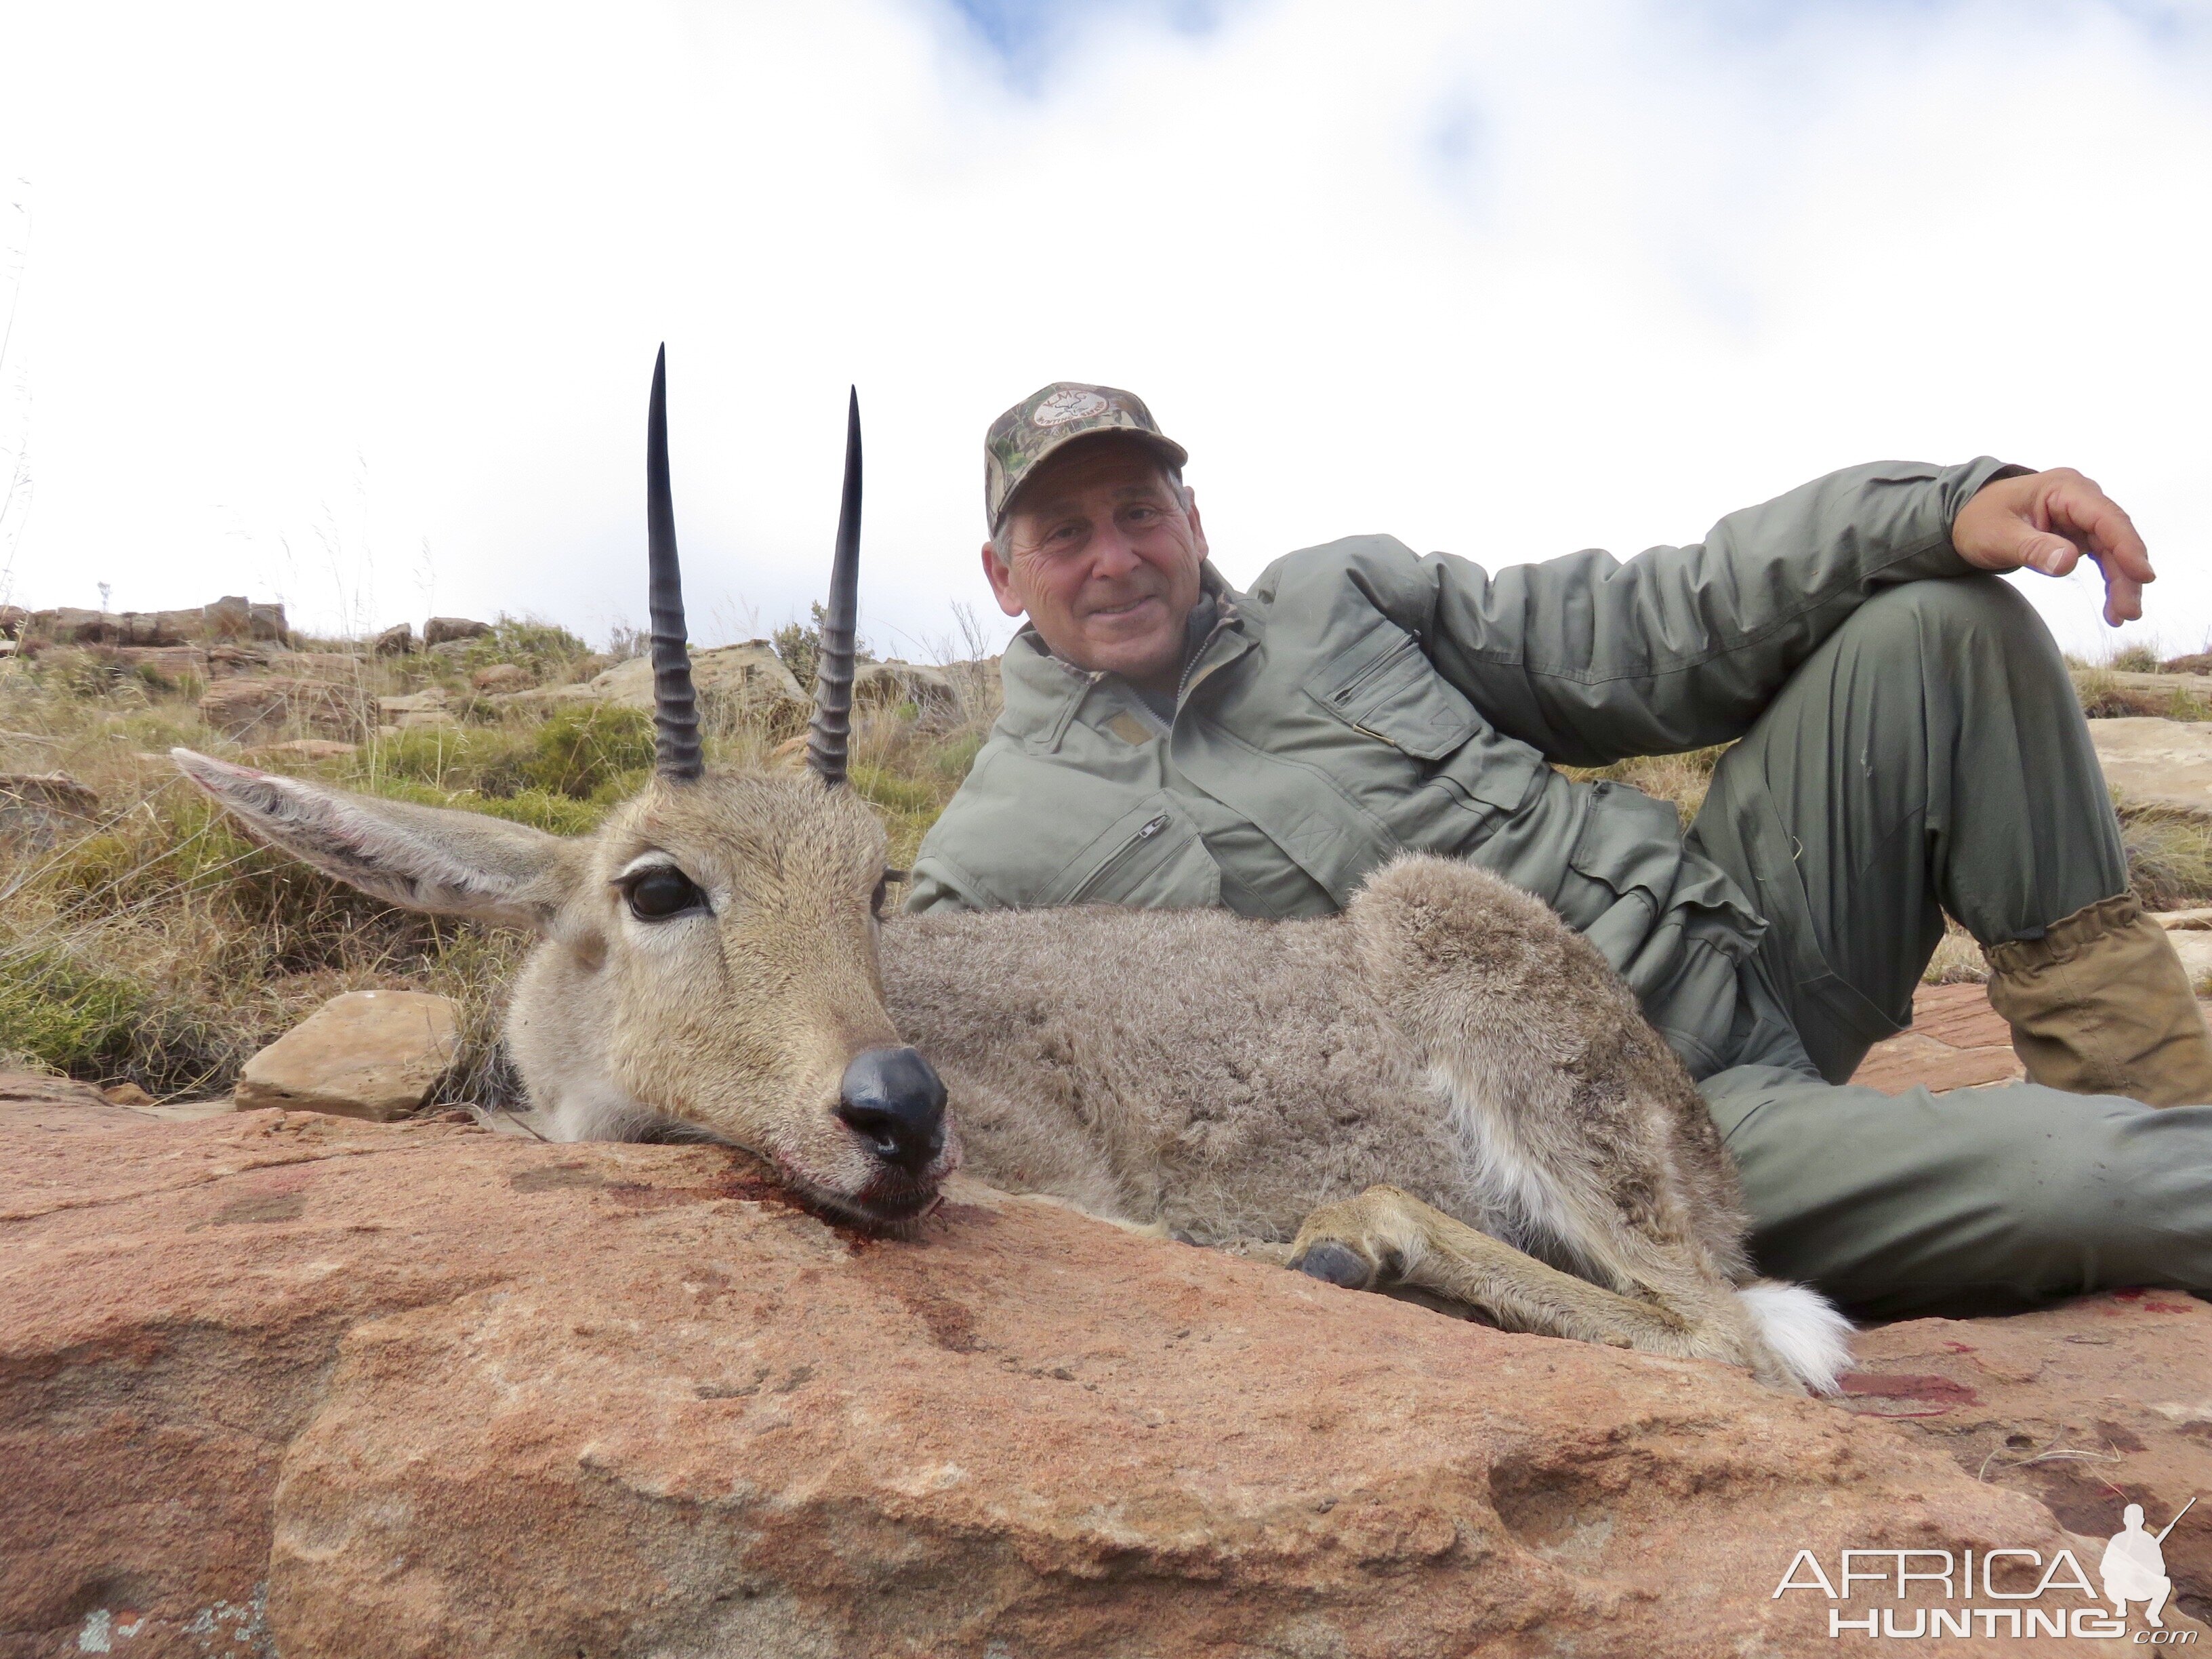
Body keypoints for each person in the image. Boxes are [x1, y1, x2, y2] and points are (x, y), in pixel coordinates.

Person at [905, 382, 2212, 1319]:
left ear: (1193, 514)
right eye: (1063, 534)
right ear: (1002, 573)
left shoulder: (1341, 600)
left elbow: (1654, 624)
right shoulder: (988, 860)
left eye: (1138, 512)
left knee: (1943, 624)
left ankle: (2158, 1087)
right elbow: (860, 1038)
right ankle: (2150, 1166)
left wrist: (1942, 505)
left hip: (1753, 937)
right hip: (1637, 1142)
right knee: (2097, 1183)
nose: (1116, 558)